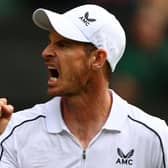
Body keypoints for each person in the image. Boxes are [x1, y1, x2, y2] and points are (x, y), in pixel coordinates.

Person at [0, 4, 167, 168]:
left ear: (98, 59)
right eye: (50, 42)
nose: (46, 52)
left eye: (63, 45)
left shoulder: (153, 136)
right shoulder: (14, 132)